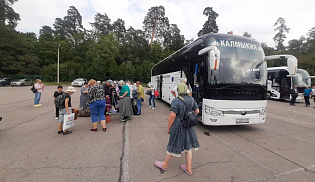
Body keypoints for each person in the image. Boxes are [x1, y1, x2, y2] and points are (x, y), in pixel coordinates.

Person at [155, 83, 200, 176]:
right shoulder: (192, 99)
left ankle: (164, 165)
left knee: (173, 144)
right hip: (189, 126)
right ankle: (188, 168)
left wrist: (169, 128)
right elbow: (197, 111)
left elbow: (172, 116)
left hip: (178, 126)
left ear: (178, 90)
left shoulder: (176, 101)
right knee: (188, 147)